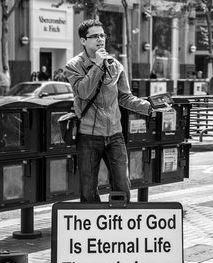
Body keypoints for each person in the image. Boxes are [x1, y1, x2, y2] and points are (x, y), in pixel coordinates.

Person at [64, 19, 170, 202]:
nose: (100, 39)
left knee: (122, 185)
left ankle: (119, 226)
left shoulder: (115, 65)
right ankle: (91, 228)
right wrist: (97, 65)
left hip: (115, 134)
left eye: (102, 35)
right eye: (94, 36)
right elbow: (83, 91)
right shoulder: (74, 65)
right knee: (88, 189)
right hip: (88, 135)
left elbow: (124, 97)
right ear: (83, 40)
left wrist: (150, 108)